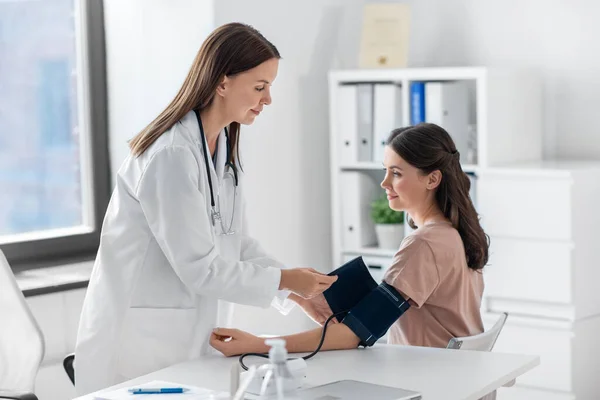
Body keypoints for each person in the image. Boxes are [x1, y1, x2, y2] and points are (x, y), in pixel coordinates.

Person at [74, 22, 337, 395]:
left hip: (185, 342)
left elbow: (237, 243)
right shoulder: (171, 155)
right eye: (260, 87)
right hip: (135, 348)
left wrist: (296, 291)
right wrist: (287, 280)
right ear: (223, 82)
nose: (267, 100)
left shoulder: (221, 148)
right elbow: (200, 267)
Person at [210, 123, 490, 356]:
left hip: (428, 382)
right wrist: (299, 295)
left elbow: (356, 332)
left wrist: (258, 345)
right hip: (454, 378)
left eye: (396, 173)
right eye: (385, 170)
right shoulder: (454, 234)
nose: (384, 183)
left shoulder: (424, 244)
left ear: (432, 179)